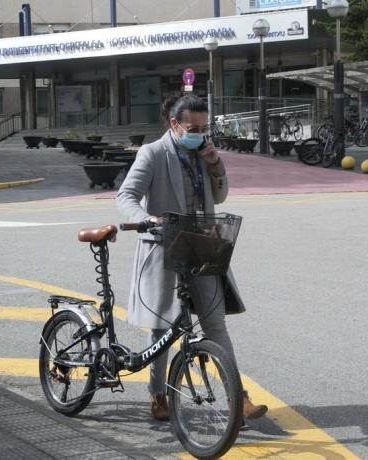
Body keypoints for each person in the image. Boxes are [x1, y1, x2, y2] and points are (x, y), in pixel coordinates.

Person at [116, 94, 268, 422]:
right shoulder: (153, 153)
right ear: (174, 124)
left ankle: (237, 398)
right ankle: (158, 395)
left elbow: (219, 195)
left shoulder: (202, 152)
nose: (200, 132)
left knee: (216, 324)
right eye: (193, 127)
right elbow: (126, 195)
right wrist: (147, 218)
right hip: (166, 245)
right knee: (163, 327)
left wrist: (215, 163)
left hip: (202, 243)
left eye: (204, 127)